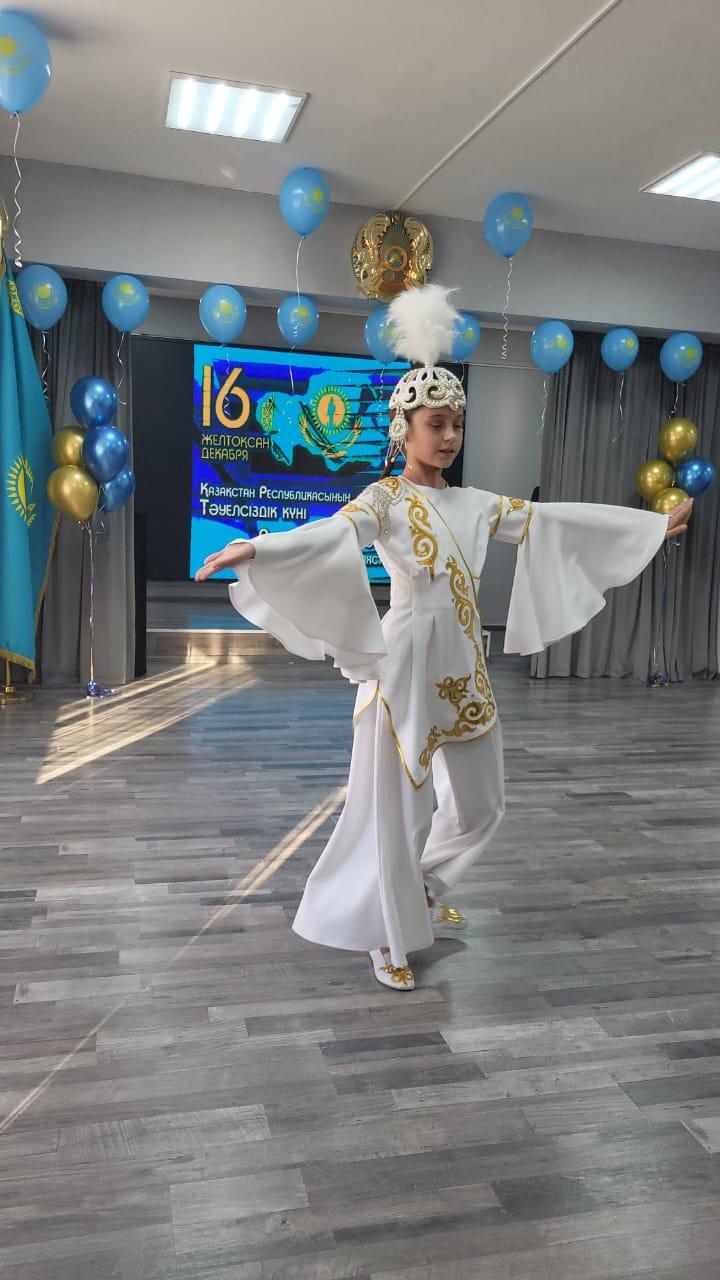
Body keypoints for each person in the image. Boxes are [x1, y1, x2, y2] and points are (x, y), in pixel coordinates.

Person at [196, 285, 692, 993]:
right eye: (437, 424)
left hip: (464, 667)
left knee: (483, 804)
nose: (450, 436)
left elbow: (555, 523)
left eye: (457, 423)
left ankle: (420, 887)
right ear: (404, 429)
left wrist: (646, 529)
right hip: (403, 666)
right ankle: (386, 934)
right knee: (396, 810)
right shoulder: (385, 498)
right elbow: (335, 535)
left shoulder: (477, 504)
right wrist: (261, 548)